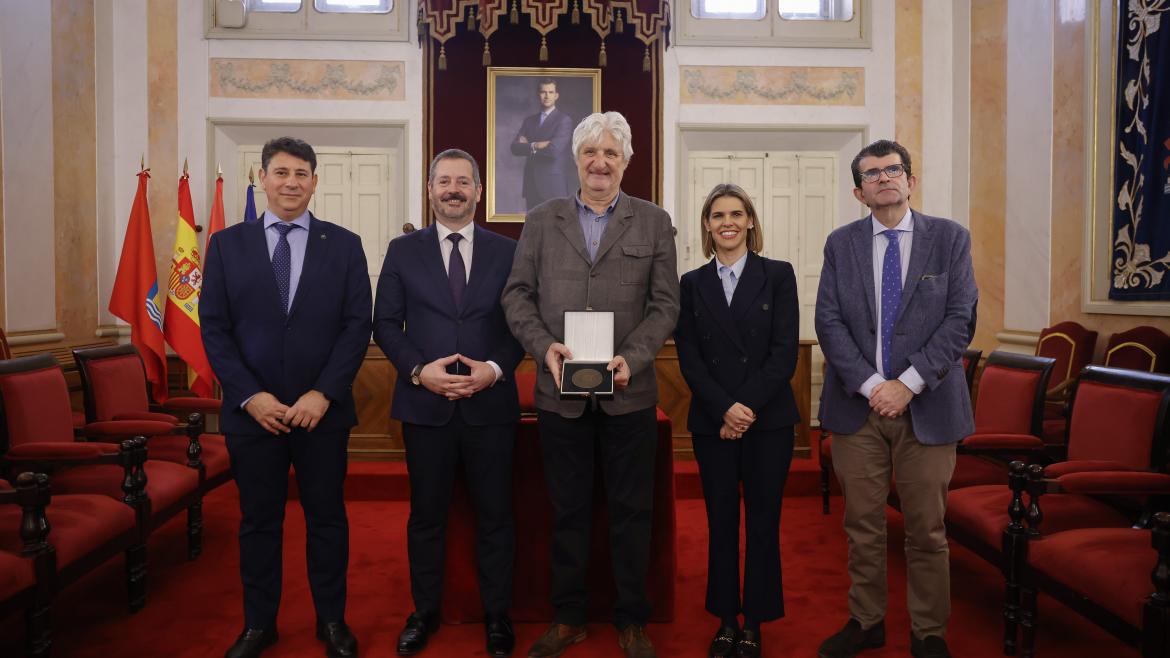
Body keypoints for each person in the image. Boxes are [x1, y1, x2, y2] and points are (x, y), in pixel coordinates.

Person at [502, 111, 680, 658]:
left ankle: (632, 620)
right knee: (569, 510)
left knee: (632, 512)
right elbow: (517, 296)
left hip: (630, 395)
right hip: (561, 395)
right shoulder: (541, 219)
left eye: (611, 154)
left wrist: (633, 356)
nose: (600, 162)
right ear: (574, 159)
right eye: (590, 153)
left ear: (627, 162)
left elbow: (666, 304)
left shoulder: (654, 221)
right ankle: (569, 616)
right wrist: (542, 347)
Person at [201, 136, 372, 658]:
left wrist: (323, 393)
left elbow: (355, 326)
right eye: (281, 172)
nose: (291, 182)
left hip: (322, 414)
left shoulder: (344, 244)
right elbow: (214, 329)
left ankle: (332, 622)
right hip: (254, 416)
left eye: (301, 173)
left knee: (327, 520)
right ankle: (258, 625)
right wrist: (250, 396)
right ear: (262, 177)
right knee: (258, 523)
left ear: (315, 182)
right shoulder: (227, 246)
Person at [814, 140, 977, 658]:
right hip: (856, 409)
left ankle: (929, 632)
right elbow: (829, 322)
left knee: (926, 531)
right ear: (859, 192)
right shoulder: (841, 244)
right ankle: (867, 621)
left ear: (910, 180)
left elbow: (960, 321)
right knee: (862, 528)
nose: (884, 178)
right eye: (872, 173)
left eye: (893, 169)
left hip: (927, 409)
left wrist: (906, 384)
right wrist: (871, 386)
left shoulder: (949, 240)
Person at [373, 149, 524, 657]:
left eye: (463, 181)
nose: (453, 189)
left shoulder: (509, 252)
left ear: (478, 192)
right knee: (426, 517)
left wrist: (494, 370)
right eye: (444, 181)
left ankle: (498, 615)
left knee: (496, 517)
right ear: (431, 189)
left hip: (491, 408)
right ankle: (424, 611)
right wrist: (420, 371)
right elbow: (385, 324)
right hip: (426, 407)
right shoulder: (402, 250)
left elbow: (522, 325)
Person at [673, 184, 800, 658]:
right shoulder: (691, 283)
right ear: (707, 225)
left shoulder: (778, 275)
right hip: (713, 422)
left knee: (764, 524)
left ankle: (757, 622)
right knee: (721, 523)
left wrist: (741, 410)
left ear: (750, 221)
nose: (727, 221)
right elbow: (689, 357)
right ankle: (727, 618)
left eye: (736, 213)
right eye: (717, 215)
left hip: (767, 422)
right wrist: (724, 408)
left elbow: (784, 352)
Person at [510, 79, 575, 210]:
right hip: (531, 185)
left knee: (554, 228)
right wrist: (536, 145)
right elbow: (515, 148)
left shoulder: (564, 120)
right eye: (543, 92)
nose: (547, 96)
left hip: (553, 186)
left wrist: (528, 146)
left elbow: (553, 151)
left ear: (556, 95)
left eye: (551, 92)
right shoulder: (529, 121)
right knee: (533, 228)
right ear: (538, 94)